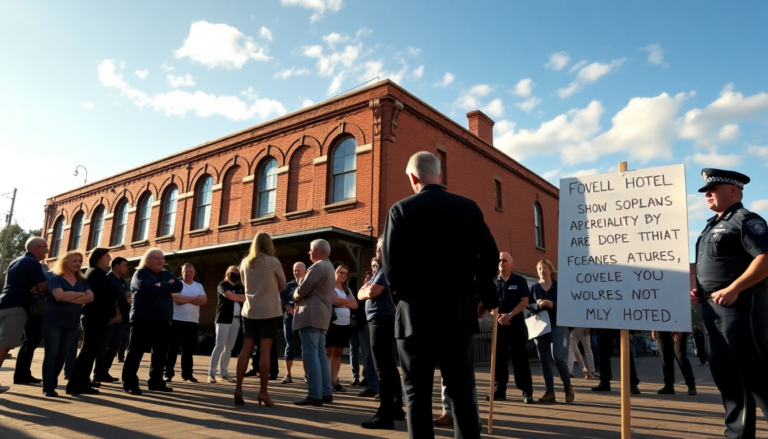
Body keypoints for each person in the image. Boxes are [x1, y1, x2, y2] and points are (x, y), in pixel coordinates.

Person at [383, 151, 499, 439]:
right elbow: (490, 255)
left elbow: (391, 268)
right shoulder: (468, 208)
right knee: (461, 392)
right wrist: (480, 294)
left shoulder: (400, 210)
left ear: (412, 177)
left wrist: (403, 302)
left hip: (414, 314)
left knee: (417, 395)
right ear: (440, 176)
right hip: (458, 312)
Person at [689, 168, 768, 438]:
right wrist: (700, 291)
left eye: (713, 189)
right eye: (705, 191)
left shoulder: (746, 220)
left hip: (741, 307)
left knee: (758, 376)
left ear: (734, 190)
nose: (707, 194)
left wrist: (734, 288)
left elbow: (764, 259)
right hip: (712, 309)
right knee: (727, 378)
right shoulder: (710, 225)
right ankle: (737, 435)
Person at [234, 232, 285, 407]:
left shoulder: (245, 262)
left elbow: (243, 283)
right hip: (269, 311)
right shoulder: (273, 262)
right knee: (265, 351)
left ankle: (238, 388)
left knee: (245, 349)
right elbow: (284, 284)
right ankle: (263, 392)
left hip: (249, 311)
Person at [122, 248, 182, 395]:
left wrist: (161, 285)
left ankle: (156, 381)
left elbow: (179, 286)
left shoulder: (167, 274)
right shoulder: (140, 273)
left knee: (160, 352)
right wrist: (166, 288)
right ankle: (130, 383)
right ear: (147, 260)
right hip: (142, 318)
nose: (161, 261)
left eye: (162, 258)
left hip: (163, 319)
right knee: (136, 351)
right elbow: (145, 288)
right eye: (157, 258)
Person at [358, 237, 404, 429]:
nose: (376, 250)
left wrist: (366, 290)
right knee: (389, 366)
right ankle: (396, 408)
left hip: (381, 320)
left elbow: (368, 293)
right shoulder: (383, 270)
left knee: (382, 369)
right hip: (385, 320)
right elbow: (363, 292)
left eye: (379, 247)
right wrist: (365, 290)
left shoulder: (386, 269)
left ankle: (385, 414)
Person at [0, 236, 48, 394]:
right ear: (36, 248)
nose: (47, 251)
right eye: (45, 247)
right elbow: (45, 286)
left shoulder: (17, 260)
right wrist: (40, 287)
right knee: (4, 345)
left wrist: (36, 287)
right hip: (16, 308)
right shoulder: (33, 262)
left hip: (5, 304)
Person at [42, 251, 94, 397]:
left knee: (62, 354)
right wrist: (80, 294)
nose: (79, 263)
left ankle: (52, 381)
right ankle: (49, 387)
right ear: (65, 262)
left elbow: (91, 298)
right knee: (52, 354)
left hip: (72, 323)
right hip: (53, 321)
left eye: (80, 261)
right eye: (75, 261)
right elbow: (59, 296)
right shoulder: (56, 278)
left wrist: (68, 296)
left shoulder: (82, 281)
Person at [67, 248, 118, 395]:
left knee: (89, 351)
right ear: (99, 258)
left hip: (95, 317)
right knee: (89, 351)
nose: (109, 258)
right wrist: (111, 312)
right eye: (107, 256)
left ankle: (82, 382)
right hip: (96, 317)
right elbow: (103, 296)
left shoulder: (94, 272)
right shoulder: (96, 273)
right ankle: (77, 384)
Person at [292, 239, 335, 406]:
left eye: (311, 250)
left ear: (318, 251)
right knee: (321, 354)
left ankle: (315, 394)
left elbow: (301, 290)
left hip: (311, 316)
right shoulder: (330, 267)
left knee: (312, 355)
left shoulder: (317, 267)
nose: (309, 253)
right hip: (323, 316)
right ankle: (326, 391)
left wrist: (296, 294)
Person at [489, 252, 534, 403]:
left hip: (516, 325)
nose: (501, 263)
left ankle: (526, 391)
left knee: (520, 358)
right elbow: (488, 303)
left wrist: (510, 314)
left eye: (504, 260)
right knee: (498, 359)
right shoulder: (493, 282)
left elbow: (524, 302)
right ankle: (499, 390)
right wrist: (496, 315)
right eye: (499, 261)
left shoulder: (519, 280)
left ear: (512, 264)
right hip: (499, 325)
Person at [527, 259, 574, 403]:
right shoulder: (534, 287)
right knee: (543, 358)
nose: (542, 271)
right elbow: (528, 304)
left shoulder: (559, 287)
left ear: (550, 269)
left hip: (556, 324)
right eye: (539, 268)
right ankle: (550, 391)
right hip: (540, 325)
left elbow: (567, 304)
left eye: (544, 268)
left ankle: (567, 386)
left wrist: (553, 305)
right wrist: (538, 305)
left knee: (557, 356)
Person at [164, 263, 207, 383]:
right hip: (176, 321)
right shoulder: (177, 284)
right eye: (186, 271)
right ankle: (168, 374)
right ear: (182, 272)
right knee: (172, 349)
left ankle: (187, 374)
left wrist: (186, 299)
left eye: (191, 272)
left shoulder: (199, 286)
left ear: (194, 273)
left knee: (188, 350)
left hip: (192, 322)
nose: (188, 274)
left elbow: (203, 300)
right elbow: (177, 299)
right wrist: (194, 299)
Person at [13, 260, 52, 386]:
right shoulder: (43, 273)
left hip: (33, 312)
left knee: (29, 344)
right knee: (29, 344)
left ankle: (23, 374)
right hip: (36, 313)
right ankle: (21, 375)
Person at [93, 256, 131, 383]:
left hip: (122, 318)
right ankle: (98, 373)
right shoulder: (108, 279)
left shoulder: (123, 282)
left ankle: (105, 371)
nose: (126, 268)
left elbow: (126, 298)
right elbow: (108, 298)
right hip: (111, 318)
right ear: (116, 265)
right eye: (124, 265)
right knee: (103, 345)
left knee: (115, 345)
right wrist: (115, 314)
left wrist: (128, 301)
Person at [208, 265, 245, 383]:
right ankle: (211, 374)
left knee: (229, 348)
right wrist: (238, 297)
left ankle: (223, 373)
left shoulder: (240, 287)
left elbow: (246, 298)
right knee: (219, 345)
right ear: (227, 273)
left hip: (236, 320)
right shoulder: (222, 285)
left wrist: (237, 297)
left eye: (236, 271)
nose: (234, 273)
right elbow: (229, 296)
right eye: (232, 271)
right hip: (223, 319)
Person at [326, 264, 358, 393]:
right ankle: (327, 381)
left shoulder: (347, 290)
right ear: (336, 273)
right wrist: (346, 302)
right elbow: (334, 301)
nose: (344, 275)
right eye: (341, 273)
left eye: (346, 274)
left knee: (338, 353)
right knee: (329, 353)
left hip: (345, 325)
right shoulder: (330, 287)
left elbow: (355, 305)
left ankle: (334, 381)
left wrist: (342, 301)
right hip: (332, 324)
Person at [279, 262, 306, 384]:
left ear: (305, 271)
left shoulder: (308, 285)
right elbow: (281, 297)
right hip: (289, 319)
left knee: (305, 347)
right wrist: (286, 306)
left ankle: (307, 375)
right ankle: (288, 374)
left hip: (304, 320)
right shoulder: (288, 286)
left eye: (299, 270)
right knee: (290, 345)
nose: (296, 272)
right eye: (295, 270)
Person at [592, 328, 641, 394]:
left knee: (626, 354)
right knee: (603, 354)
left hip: (619, 325)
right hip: (606, 324)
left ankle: (632, 384)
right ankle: (604, 382)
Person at [652, 331, 697, 396]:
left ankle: (691, 385)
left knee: (681, 357)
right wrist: (653, 329)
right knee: (666, 358)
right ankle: (668, 386)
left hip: (678, 327)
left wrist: (679, 329)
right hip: (661, 329)